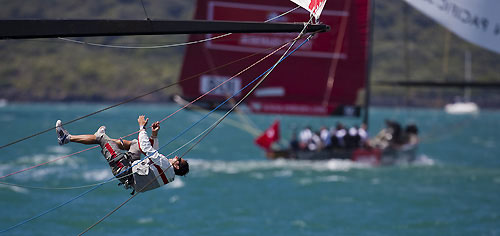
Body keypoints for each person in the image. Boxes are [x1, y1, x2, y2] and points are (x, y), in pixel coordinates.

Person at [55, 115, 189, 194]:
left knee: (100, 137)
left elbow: (147, 148)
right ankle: (105, 140)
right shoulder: (168, 172)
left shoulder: (166, 164)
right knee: (135, 144)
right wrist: (154, 134)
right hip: (132, 169)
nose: (177, 157)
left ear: (176, 166)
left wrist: (142, 127)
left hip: (124, 170)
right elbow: (152, 154)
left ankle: (66, 138)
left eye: (179, 159)